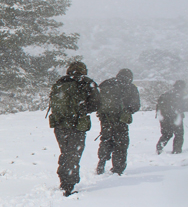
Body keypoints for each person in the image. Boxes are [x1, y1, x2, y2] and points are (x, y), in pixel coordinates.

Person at [48, 61, 100, 196]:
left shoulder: (60, 82)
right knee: (74, 154)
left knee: (65, 152)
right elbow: (96, 103)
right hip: (77, 125)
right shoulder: (87, 82)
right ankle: (68, 185)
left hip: (59, 124)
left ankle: (64, 179)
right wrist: (83, 110)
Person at [95, 69, 141, 175]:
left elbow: (97, 100)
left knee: (106, 139)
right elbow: (136, 105)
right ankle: (118, 169)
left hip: (105, 118)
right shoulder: (130, 87)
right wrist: (127, 110)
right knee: (121, 143)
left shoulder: (106, 84)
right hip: (121, 120)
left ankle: (101, 162)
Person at [156, 80, 186, 154]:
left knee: (167, 134)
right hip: (176, 118)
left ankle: (159, 148)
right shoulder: (180, 95)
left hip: (164, 118)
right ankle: (177, 151)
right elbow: (184, 106)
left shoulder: (166, 94)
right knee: (179, 134)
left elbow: (159, 105)